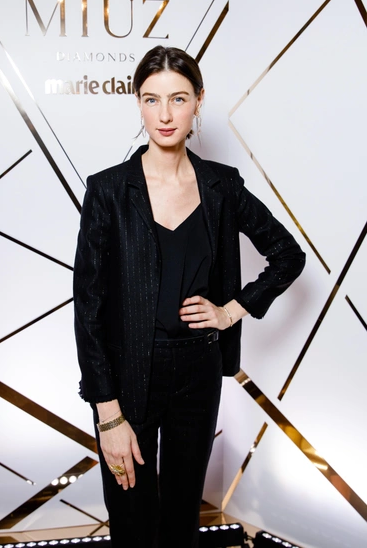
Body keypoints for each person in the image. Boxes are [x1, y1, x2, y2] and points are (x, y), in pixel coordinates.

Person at [73, 45, 306, 548]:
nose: (165, 114)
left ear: (199, 101)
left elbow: (288, 255)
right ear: (138, 103)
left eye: (178, 99)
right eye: (151, 99)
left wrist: (230, 311)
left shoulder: (223, 186)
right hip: (128, 379)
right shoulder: (108, 191)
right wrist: (107, 412)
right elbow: (88, 309)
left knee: (182, 521)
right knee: (132, 521)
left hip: (198, 371)